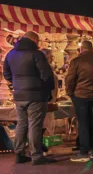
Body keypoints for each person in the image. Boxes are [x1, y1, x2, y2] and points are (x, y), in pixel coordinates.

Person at [3, 31, 55, 166]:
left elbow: (6, 74)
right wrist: (47, 90)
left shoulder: (10, 54)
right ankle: (36, 155)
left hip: (19, 95)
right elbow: (47, 75)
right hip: (36, 95)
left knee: (21, 124)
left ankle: (19, 153)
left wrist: (17, 84)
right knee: (35, 125)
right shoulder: (36, 54)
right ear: (34, 40)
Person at [66, 41, 93, 162]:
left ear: (81, 49)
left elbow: (70, 79)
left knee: (83, 123)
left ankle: (84, 152)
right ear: (92, 49)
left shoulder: (76, 61)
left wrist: (70, 93)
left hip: (80, 96)